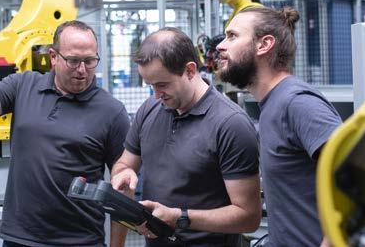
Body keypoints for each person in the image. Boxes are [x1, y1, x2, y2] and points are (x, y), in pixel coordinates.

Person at [0, 5, 130, 247]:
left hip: (81, 241)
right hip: (20, 239)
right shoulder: (23, 86)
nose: (82, 70)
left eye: (90, 61)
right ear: (53, 57)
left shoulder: (111, 111)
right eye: (73, 61)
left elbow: (123, 189)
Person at [111, 27, 262, 246]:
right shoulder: (150, 109)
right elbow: (124, 163)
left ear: (190, 70)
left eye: (162, 85)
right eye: (151, 86)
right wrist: (123, 172)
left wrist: (179, 217)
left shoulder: (230, 124)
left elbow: (248, 217)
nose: (156, 95)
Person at [216, 7, 342, 247]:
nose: (221, 46)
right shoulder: (271, 104)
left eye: (232, 36)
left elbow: (356, 179)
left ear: (264, 45)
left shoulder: (297, 103)